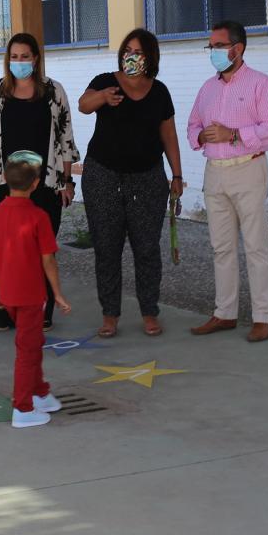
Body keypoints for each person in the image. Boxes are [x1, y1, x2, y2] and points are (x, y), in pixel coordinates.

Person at [77, 29, 184, 339]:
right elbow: (84, 104)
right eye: (127, 50)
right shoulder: (105, 81)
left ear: (150, 57)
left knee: (147, 248)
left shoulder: (160, 92)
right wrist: (103, 98)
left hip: (148, 178)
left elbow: (169, 135)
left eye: (138, 51)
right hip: (103, 176)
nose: (131, 56)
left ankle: (149, 312)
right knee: (107, 248)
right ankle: (110, 315)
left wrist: (176, 175)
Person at [186, 20, 268, 343]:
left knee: (256, 246)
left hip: (249, 169)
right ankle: (225, 312)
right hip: (215, 172)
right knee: (221, 247)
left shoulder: (260, 84)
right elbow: (192, 127)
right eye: (210, 46)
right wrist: (201, 136)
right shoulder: (207, 88)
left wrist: (235, 135)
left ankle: (262, 317)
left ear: (237, 48)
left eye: (217, 46)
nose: (212, 52)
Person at [0, 32, 79, 332]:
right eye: (14, 56)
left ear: (36, 59)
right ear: (8, 60)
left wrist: (67, 181)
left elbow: (66, 139)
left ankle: (41, 311)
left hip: (46, 185)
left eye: (25, 56)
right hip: (4, 185)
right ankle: (3, 312)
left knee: (42, 249)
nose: (20, 62)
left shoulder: (53, 92)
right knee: (5, 250)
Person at [0, 151, 72, 429]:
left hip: (9, 294)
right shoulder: (39, 216)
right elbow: (48, 260)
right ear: (36, 183)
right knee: (27, 350)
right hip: (31, 295)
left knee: (31, 344)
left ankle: (40, 392)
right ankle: (22, 408)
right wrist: (57, 293)